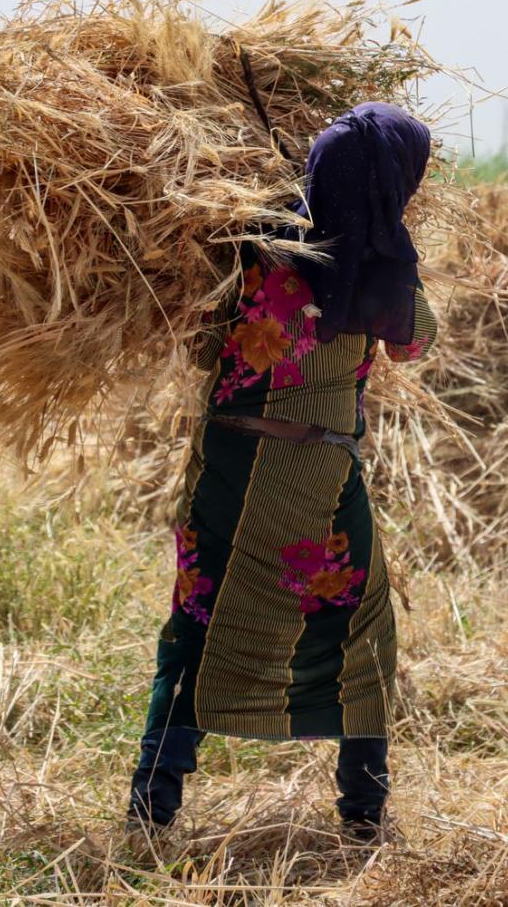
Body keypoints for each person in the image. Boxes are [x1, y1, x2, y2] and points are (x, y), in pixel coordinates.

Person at [126, 101, 438, 841]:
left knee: (199, 626)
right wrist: (393, 252)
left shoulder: (251, 250)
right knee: (364, 634)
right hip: (322, 477)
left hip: (232, 468)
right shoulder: (388, 278)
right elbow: (415, 345)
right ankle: (362, 816)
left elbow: (201, 344)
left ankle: (153, 804)